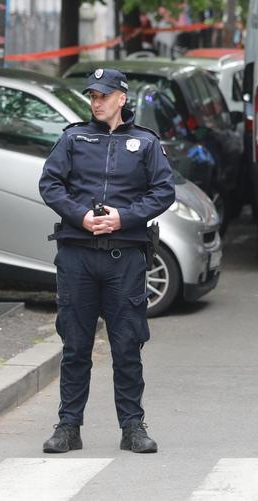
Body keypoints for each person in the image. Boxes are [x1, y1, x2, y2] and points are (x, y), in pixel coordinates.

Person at [39, 68, 177, 455]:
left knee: (127, 345)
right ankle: (69, 426)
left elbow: (164, 191)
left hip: (124, 258)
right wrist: (80, 215)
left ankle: (132, 426)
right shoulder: (73, 138)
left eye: (103, 95)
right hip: (78, 255)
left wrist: (125, 217)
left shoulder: (145, 143)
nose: (96, 102)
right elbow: (49, 184)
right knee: (75, 345)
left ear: (122, 98)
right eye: (92, 96)